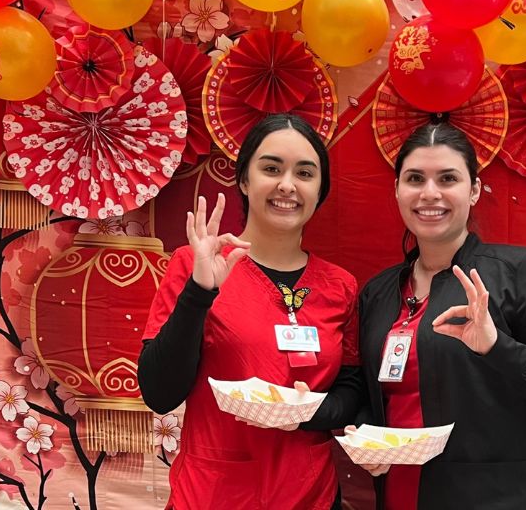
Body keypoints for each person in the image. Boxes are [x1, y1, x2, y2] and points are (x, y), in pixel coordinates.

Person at [336, 122, 526, 509]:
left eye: (448, 178)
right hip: (400, 495)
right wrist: (364, 433)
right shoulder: (378, 293)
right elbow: (370, 395)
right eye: (415, 178)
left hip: (500, 498)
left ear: (474, 190)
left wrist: (497, 347)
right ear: (397, 190)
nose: (430, 193)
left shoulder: (521, 272)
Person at [137, 114, 360, 510]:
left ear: (320, 188)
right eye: (271, 168)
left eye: (304, 173)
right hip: (212, 493)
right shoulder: (194, 265)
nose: (287, 185)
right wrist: (199, 292)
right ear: (244, 180)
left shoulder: (339, 285)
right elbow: (159, 392)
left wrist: (305, 413)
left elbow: (352, 391)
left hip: (309, 495)